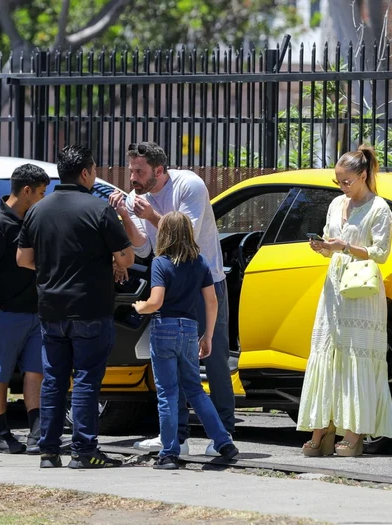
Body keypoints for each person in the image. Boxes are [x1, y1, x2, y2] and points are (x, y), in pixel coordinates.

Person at [108, 141, 235, 457]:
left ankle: (224, 433)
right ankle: (176, 437)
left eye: (140, 171)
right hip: (170, 287)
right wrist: (125, 213)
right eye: (131, 170)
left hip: (204, 282)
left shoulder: (189, 184)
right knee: (170, 364)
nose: (133, 178)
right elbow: (141, 248)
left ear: (159, 170)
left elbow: (184, 236)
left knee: (214, 359)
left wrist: (151, 214)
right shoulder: (136, 197)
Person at [17, 145, 134, 469]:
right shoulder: (98, 210)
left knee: (53, 380)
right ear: (85, 172)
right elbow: (127, 257)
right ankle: (84, 451)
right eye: (94, 169)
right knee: (85, 380)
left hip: (51, 308)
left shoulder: (38, 211)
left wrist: (54, 265)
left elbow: (23, 259)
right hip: (90, 308)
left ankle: (48, 451)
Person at [296, 145, 392, 457]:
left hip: (362, 291)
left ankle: (355, 434)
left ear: (364, 176)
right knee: (327, 352)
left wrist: (346, 247)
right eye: (338, 182)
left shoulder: (380, 208)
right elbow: (331, 243)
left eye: (347, 181)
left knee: (358, 357)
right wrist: (324, 247)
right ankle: (322, 430)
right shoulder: (336, 204)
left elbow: (380, 253)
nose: (342, 187)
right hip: (334, 288)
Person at [132, 211, 239, 469]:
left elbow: (156, 301)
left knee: (168, 392)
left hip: (164, 329)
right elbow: (212, 301)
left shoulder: (161, 263)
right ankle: (223, 441)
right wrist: (209, 335)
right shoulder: (200, 262)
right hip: (190, 330)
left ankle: (169, 452)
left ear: (165, 234)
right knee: (195, 390)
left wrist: (140, 306)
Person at [0, 164, 50, 454]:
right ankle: (0, 433)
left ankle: (36, 431)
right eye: (42, 192)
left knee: (35, 371)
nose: (45, 198)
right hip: (7, 313)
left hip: (35, 313)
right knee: (1, 373)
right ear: (27, 191)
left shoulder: (31, 221)